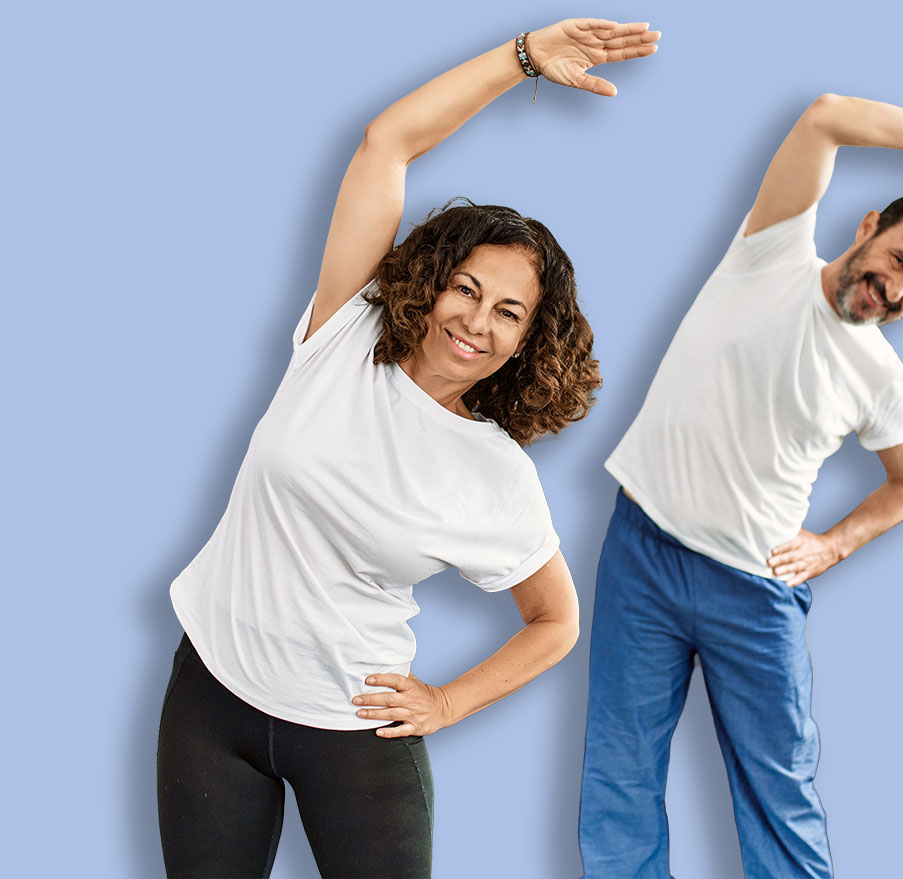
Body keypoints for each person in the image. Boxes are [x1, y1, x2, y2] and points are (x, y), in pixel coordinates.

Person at [156, 18, 659, 879]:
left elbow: (557, 621)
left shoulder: (494, 473)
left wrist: (451, 701)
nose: (477, 320)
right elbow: (387, 143)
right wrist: (521, 59)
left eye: (509, 311)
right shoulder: (344, 327)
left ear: (530, 341)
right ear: (431, 285)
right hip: (211, 697)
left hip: (354, 730)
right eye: (468, 288)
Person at [578, 93, 903, 878]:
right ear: (867, 225)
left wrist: (833, 545)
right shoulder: (770, 248)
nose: (898, 292)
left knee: (779, 794)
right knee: (620, 778)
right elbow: (826, 114)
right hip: (642, 553)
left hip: (754, 590)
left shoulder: (880, 377)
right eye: (901, 261)